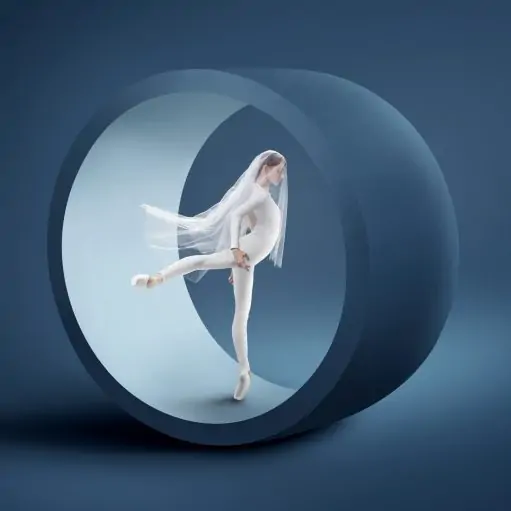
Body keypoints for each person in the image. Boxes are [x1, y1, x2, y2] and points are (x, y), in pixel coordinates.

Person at [131, 150, 288, 401]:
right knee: (204, 264)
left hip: (247, 259)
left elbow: (248, 223)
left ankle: (245, 372)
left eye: (282, 170)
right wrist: (236, 251)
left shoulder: (257, 192)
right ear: (266, 168)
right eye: (279, 169)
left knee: (242, 314)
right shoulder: (258, 193)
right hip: (246, 253)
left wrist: (234, 263)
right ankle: (156, 278)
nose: (282, 174)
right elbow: (237, 217)